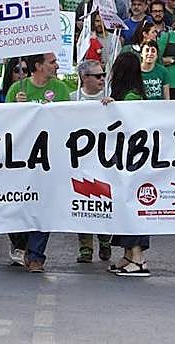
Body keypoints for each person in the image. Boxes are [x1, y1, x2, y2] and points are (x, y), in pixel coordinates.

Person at [5, 53, 68, 272]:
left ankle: (36, 256)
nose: (56, 65)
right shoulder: (16, 90)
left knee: (44, 207)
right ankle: (20, 242)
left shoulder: (60, 89)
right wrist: (17, 107)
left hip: (48, 159)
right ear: (38, 66)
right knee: (16, 205)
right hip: (20, 160)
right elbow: (4, 123)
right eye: (51, 62)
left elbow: (69, 118)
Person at [105, 51, 151, 276]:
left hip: (133, 163)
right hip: (127, 161)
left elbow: (130, 126)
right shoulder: (130, 95)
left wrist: (115, 108)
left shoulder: (130, 98)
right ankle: (128, 255)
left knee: (133, 208)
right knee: (125, 207)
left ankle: (139, 258)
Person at [71, 60, 111, 264]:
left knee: (104, 200)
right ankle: (85, 247)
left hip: (104, 159)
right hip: (80, 160)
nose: (102, 78)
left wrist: (114, 106)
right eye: (97, 75)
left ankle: (105, 240)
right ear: (84, 78)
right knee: (82, 200)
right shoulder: (72, 99)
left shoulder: (110, 97)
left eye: (103, 74)